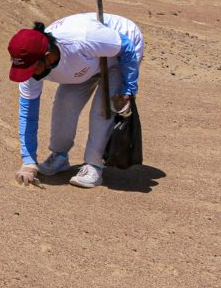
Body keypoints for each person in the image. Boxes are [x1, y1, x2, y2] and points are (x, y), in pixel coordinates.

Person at [8, 13, 144, 188]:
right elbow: (28, 115)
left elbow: (126, 46)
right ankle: (59, 156)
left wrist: (129, 89)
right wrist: (28, 161)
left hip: (120, 53)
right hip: (86, 60)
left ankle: (94, 165)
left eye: (31, 69)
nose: (28, 74)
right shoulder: (30, 64)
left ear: (48, 56)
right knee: (65, 103)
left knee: (103, 109)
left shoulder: (83, 38)